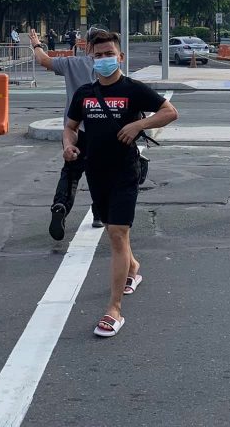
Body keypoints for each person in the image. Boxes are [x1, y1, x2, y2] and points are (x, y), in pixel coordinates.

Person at [63, 31, 178, 337]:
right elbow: (71, 126)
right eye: (98, 55)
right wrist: (68, 144)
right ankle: (133, 268)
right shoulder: (84, 94)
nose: (104, 60)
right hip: (94, 172)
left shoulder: (133, 89)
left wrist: (139, 123)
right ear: (91, 58)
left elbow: (170, 112)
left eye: (109, 54)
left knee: (116, 233)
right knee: (117, 236)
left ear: (120, 57)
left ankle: (113, 309)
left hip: (125, 172)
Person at [28, 25, 108, 239]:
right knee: (101, 174)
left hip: (74, 129)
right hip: (102, 130)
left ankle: (61, 205)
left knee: (71, 172)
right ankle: (99, 213)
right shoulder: (111, 66)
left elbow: (43, 60)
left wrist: (36, 43)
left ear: (86, 44)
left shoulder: (71, 63)